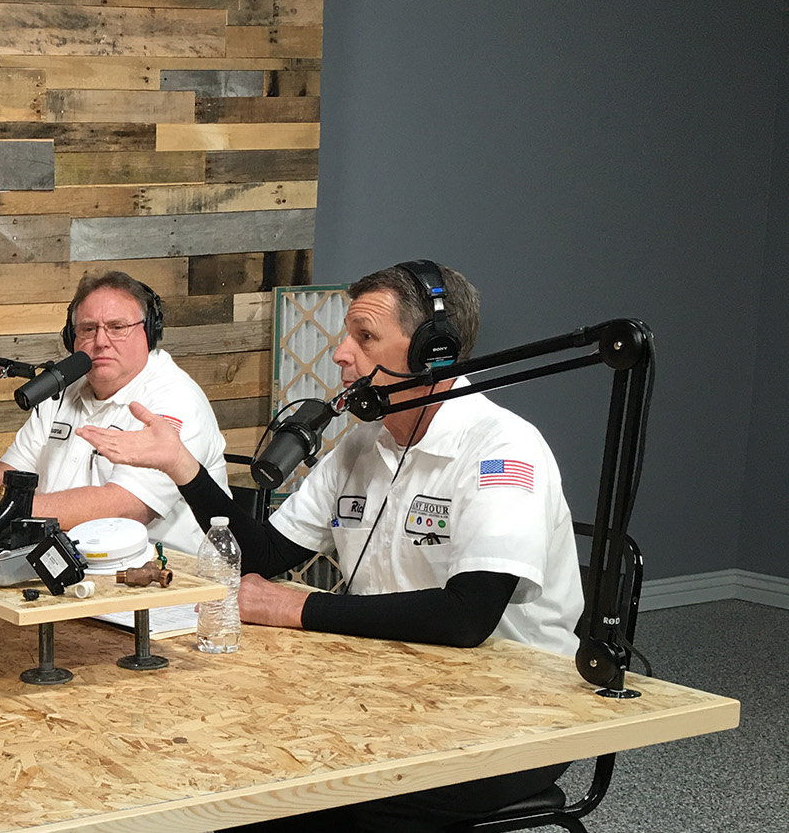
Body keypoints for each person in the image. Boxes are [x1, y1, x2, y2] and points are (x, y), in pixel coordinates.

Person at [78, 261, 583, 832]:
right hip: (392, 688)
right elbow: (266, 554)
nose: (341, 353)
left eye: (365, 338)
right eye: (347, 336)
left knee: (272, 796)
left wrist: (293, 607)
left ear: (433, 354)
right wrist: (181, 466)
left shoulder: (504, 451)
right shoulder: (362, 443)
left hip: (515, 719)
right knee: (220, 748)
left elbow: (466, 617)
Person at [0, 271, 229, 554]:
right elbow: (10, 472)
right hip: (75, 565)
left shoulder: (175, 399)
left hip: (172, 582)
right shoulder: (61, 391)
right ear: (71, 338)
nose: (101, 341)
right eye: (89, 329)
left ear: (149, 332)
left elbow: (126, 508)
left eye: (117, 327)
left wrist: (5, 512)